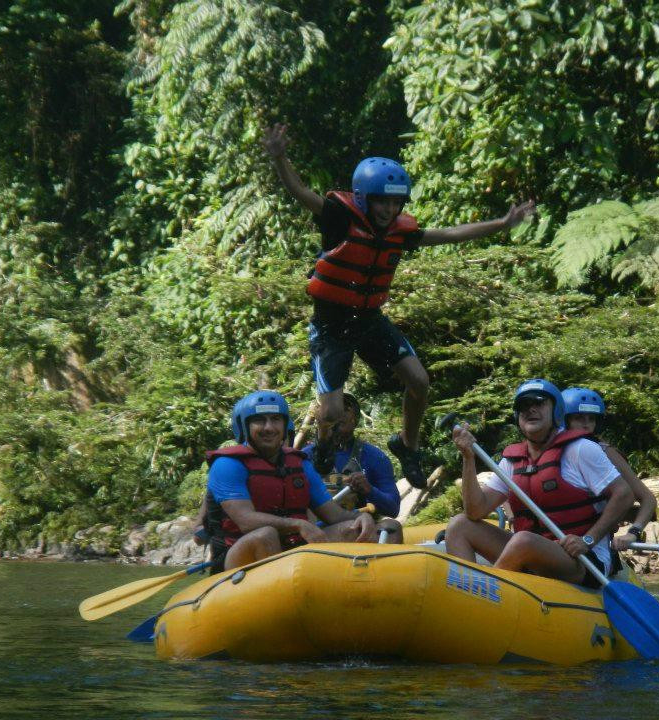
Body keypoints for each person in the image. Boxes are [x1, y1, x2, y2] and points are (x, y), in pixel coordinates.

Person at [262, 123, 536, 490]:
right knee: (329, 412)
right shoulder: (339, 219)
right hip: (331, 326)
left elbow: (448, 234)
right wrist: (280, 158)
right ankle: (324, 442)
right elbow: (300, 192)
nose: (389, 209)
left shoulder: (399, 232)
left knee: (419, 381)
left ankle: (407, 446)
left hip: (369, 320)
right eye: (382, 201)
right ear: (362, 198)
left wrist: (501, 224)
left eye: (395, 202)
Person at [445, 379, 633, 588]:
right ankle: (464, 591)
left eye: (539, 403)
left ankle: (484, 595)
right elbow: (475, 511)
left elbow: (624, 494)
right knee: (459, 525)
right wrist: (468, 458)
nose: (531, 409)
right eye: (524, 405)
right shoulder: (511, 461)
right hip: (529, 551)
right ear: (518, 416)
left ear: (556, 412)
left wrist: (588, 540)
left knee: (523, 540)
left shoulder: (580, 450)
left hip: (582, 558)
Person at [202, 390, 375, 574]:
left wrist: (360, 517)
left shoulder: (300, 464)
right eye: (259, 420)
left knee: (383, 528)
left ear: (285, 425)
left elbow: (334, 515)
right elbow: (246, 521)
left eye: (276, 419)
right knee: (265, 535)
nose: (269, 427)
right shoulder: (227, 465)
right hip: (238, 555)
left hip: (293, 547)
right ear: (244, 427)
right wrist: (298, 524)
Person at [561, 387, 657, 551]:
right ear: (563, 420)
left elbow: (648, 499)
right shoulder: (549, 452)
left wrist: (633, 532)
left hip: (592, 546)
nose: (586, 424)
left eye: (591, 419)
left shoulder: (605, 451)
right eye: (579, 418)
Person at [303, 393, 403, 543]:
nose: (338, 413)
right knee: (350, 527)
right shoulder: (304, 457)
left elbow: (393, 508)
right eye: (333, 410)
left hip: (361, 526)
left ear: (355, 420)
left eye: (345, 409)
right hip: (318, 531)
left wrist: (370, 490)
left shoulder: (374, 457)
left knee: (392, 527)